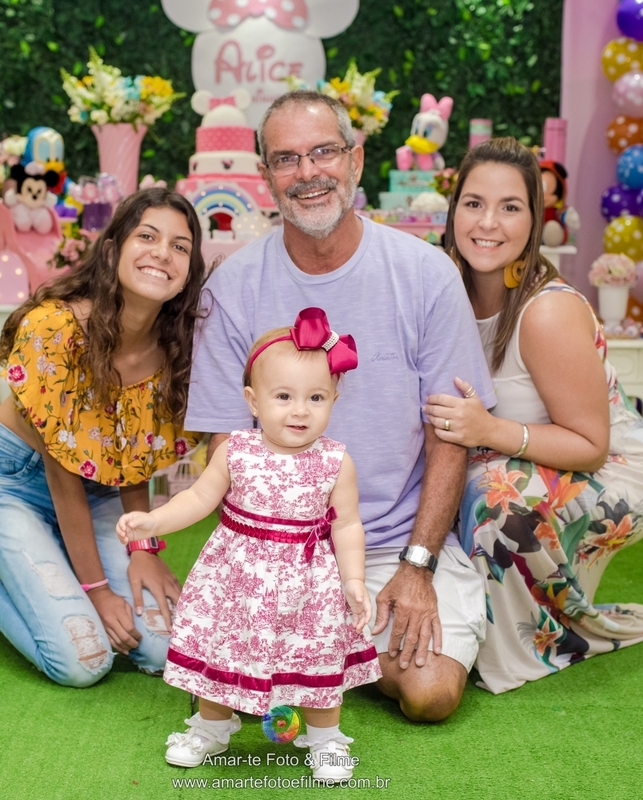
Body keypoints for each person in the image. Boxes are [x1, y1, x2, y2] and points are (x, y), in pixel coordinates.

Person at [186, 91, 495, 722]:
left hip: (390, 543)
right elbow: (226, 447)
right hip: (275, 544)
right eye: (287, 158)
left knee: (430, 693)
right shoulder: (232, 289)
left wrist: (417, 566)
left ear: (355, 159)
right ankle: (328, 655)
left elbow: (451, 436)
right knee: (234, 702)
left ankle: (337, 656)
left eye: (324, 151)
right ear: (266, 175)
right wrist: (260, 573)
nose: (308, 172)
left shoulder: (427, 274)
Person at [0, 188, 207, 687]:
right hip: (13, 484)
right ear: (112, 252)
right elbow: (63, 471)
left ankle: (54, 575)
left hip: (100, 495)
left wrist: (143, 551)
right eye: (148, 236)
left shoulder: (174, 349)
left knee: (161, 649)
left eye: (180, 246)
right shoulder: (54, 330)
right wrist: (96, 590)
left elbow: (134, 458)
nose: (162, 253)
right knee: (83, 661)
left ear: (188, 271)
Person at [425, 138, 643, 694]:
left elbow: (591, 444)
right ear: (453, 211)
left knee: (490, 492)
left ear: (535, 219)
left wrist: (489, 432)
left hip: (613, 468)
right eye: (473, 204)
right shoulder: (442, 285)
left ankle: (518, 646)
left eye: (510, 207)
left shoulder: (547, 312)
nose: (487, 223)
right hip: (516, 456)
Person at [118, 308, 381, 784]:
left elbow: (347, 526)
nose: (299, 410)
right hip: (236, 583)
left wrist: (354, 579)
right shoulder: (236, 451)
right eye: (283, 396)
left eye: (316, 397)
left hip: (308, 588)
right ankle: (211, 727)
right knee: (222, 654)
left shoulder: (336, 461)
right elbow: (198, 498)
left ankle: (325, 739)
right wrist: (151, 521)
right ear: (253, 401)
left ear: (334, 399)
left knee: (317, 658)